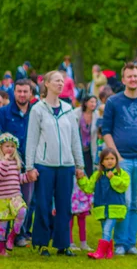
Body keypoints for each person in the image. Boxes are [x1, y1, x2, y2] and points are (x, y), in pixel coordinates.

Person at [25, 71, 85, 257]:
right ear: (47, 84)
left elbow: (76, 139)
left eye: (63, 81)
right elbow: (32, 139)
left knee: (64, 205)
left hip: (66, 166)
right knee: (42, 205)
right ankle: (42, 243)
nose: (61, 83)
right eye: (57, 80)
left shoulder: (69, 109)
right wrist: (29, 167)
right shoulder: (38, 109)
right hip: (44, 165)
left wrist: (79, 165)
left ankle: (63, 244)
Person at [101, 62, 137, 256]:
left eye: (136, 76)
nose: (133, 79)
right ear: (123, 79)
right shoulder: (113, 102)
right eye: (129, 76)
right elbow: (106, 131)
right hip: (122, 159)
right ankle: (120, 243)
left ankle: (131, 243)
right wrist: (117, 156)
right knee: (123, 203)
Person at [77, 147, 130, 260]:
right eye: (106, 159)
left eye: (112, 158)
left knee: (107, 229)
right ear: (101, 161)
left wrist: (113, 178)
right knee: (106, 230)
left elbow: (122, 187)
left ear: (116, 160)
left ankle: (100, 253)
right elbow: (88, 188)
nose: (110, 161)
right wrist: (81, 179)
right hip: (101, 208)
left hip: (115, 208)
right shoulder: (97, 175)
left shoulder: (122, 174)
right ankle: (109, 252)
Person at [0, 79, 34, 247]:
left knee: (26, 201)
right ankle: (3, 235)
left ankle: (20, 234)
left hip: (29, 163)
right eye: (19, 91)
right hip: (7, 165)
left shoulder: (35, 112)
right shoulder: (4, 112)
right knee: (5, 199)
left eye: (25, 91)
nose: (22, 94)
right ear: (14, 92)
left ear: (30, 93)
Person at [0, 133, 33, 256]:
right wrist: (5, 161)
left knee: (22, 211)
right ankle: (2, 250)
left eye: (12, 146)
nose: (10, 148)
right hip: (2, 198)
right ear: (1, 148)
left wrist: (28, 177)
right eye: (7, 146)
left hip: (15, 196)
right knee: (1, 227)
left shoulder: (16, 162)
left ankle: (13, 235)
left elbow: (17, 179)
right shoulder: (2, 162)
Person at [74, 95, 99, 177]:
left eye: (95, 102)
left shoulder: (97, 115)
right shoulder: (76, 113)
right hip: (79, 146)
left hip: (91, 147)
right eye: (91, 102)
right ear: (85, 103)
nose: (93, 104)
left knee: (90, 170)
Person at [69, 178, 93, 252]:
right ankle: (70, 243)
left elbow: (88, 188)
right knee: (69, 224)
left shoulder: (83, 174)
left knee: (82, 224)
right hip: (70, 202)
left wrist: (90, 200)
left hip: (82, 203)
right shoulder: (67, 173)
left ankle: (83, 243)